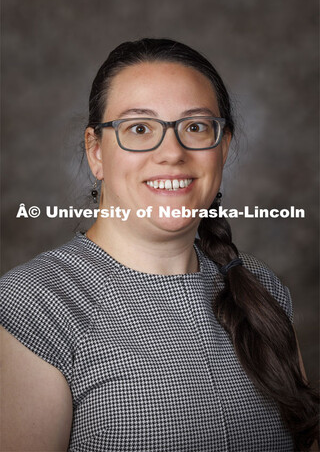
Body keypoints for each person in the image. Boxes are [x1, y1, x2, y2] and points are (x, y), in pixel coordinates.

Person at [1, 38, 318, 452]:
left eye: (196, 127)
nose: (172, 153)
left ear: (222, 148)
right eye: (138, 128)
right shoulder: (34, 305)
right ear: (96, 152)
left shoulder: (262, 288)